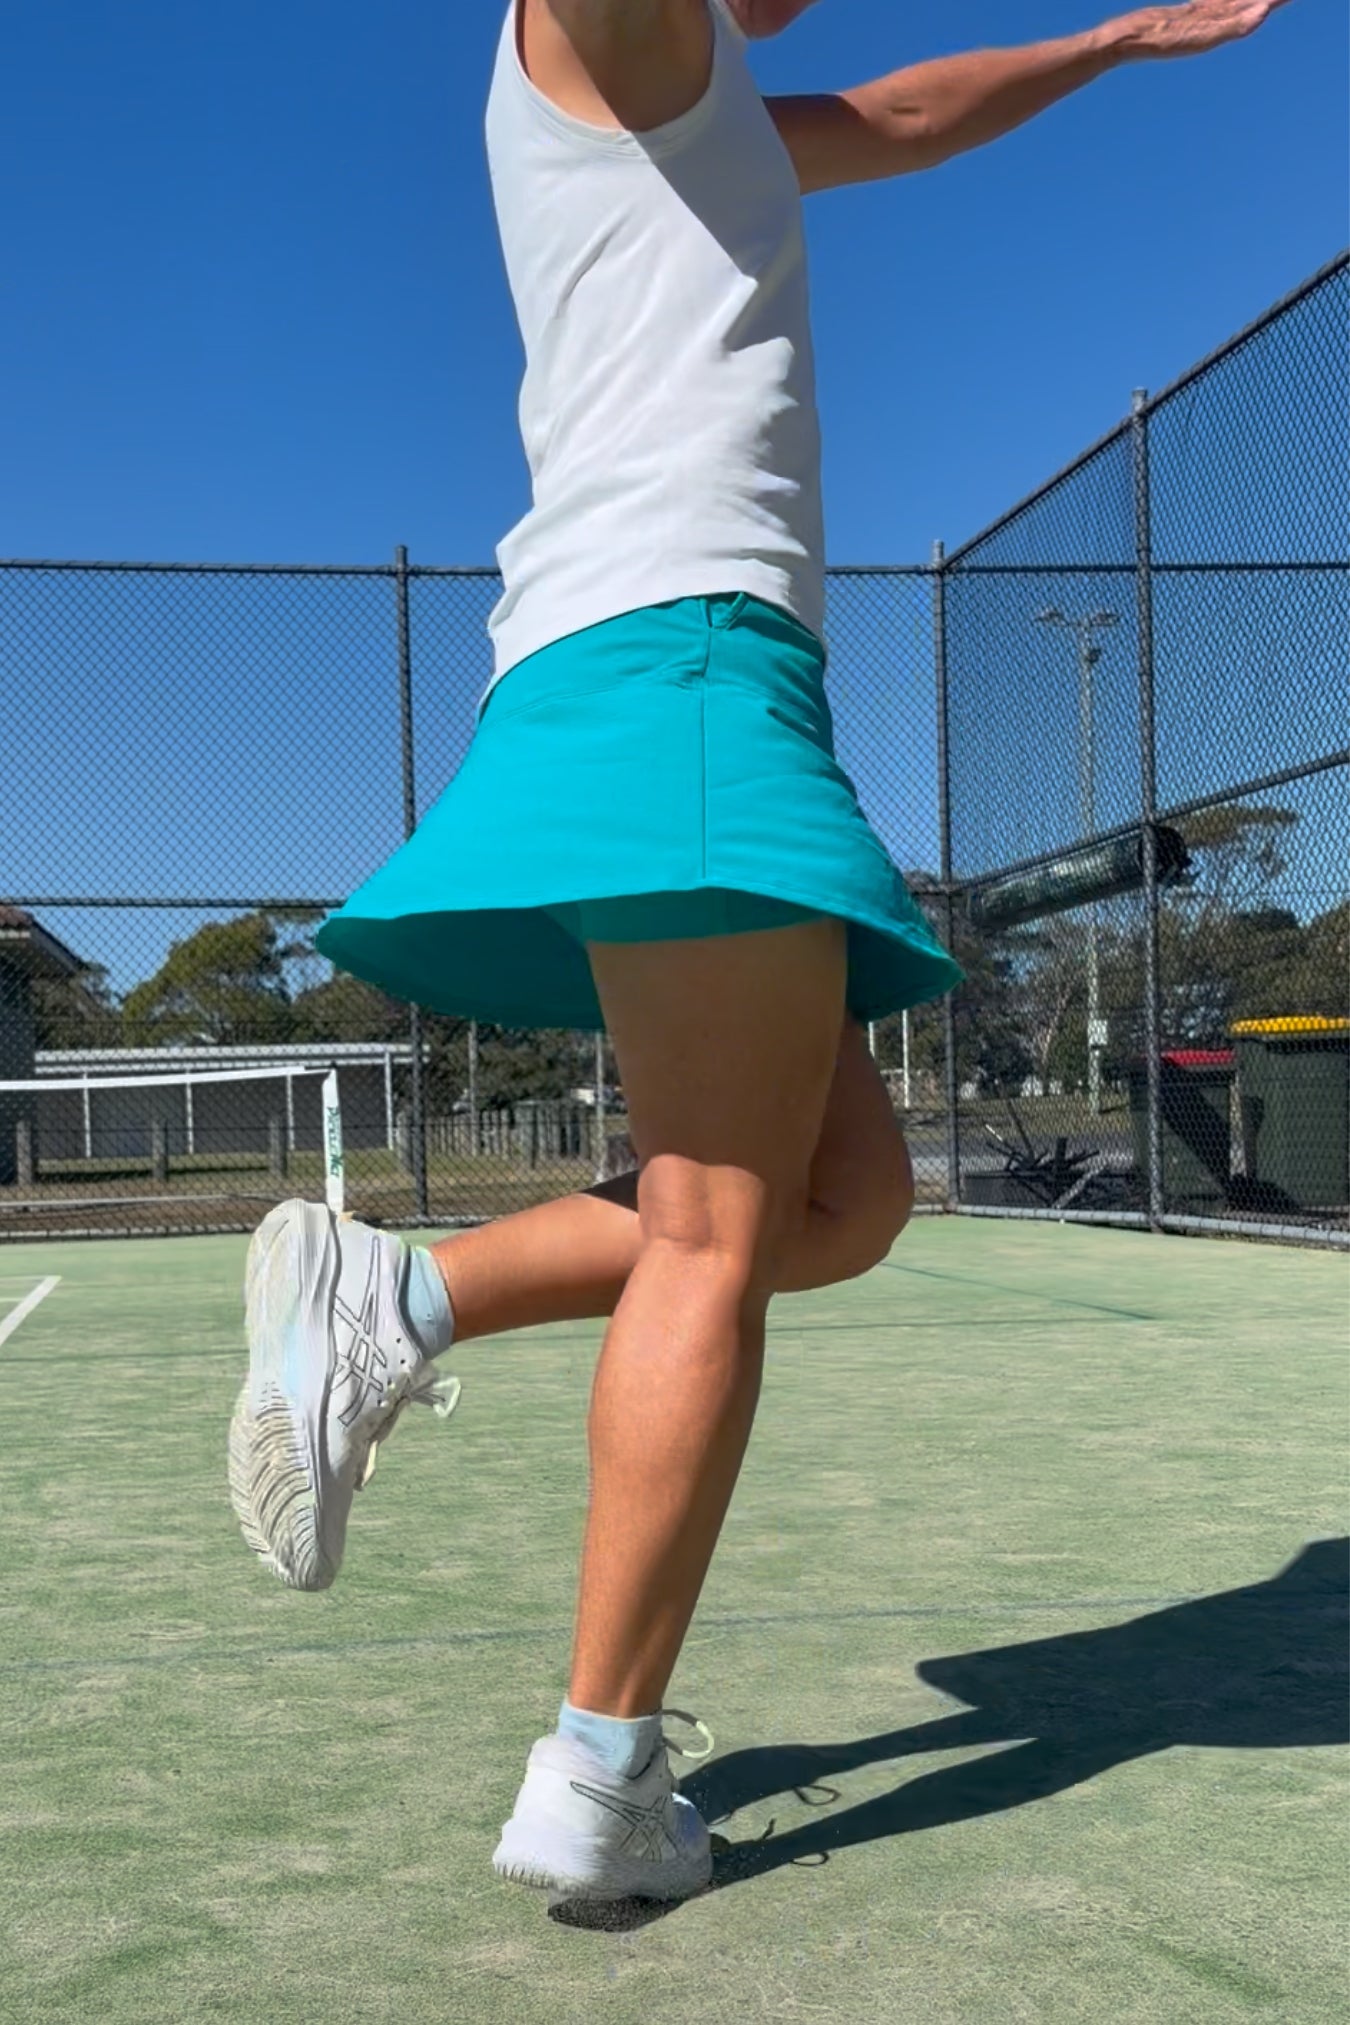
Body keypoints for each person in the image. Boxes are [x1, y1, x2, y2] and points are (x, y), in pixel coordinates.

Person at [230, 0, 1288, 1907]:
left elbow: (900, 110)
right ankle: (596, 1771)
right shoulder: (616, 44)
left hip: (701, 676)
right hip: (680, 664)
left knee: (844, 1199)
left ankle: (398, 1301)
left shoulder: (708, 109)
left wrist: (1118, 41)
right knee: (720, 1230)